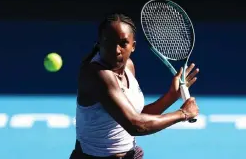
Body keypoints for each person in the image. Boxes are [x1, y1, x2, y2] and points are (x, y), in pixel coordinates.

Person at [70, 13, 199, 159]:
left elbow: (137, 115)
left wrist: (171, 96)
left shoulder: (128, 67)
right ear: (99, 42)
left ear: (133, 46)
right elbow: (135, 125)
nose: (116, 50)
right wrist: (183, 114)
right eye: (109, 42)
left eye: (123, 43)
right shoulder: (98, 75)